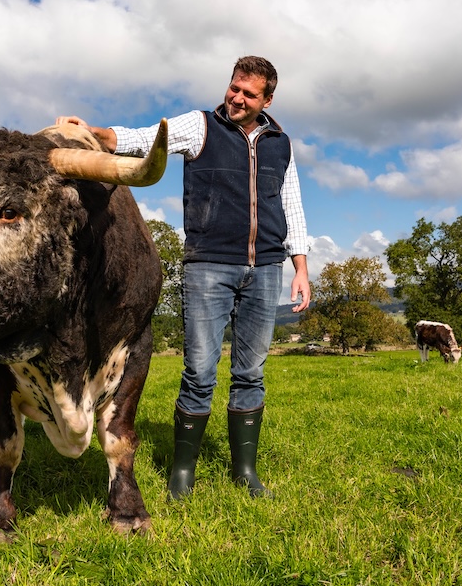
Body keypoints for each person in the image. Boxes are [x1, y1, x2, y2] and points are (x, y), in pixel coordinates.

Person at [57, 55, 310, 499]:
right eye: (234, 87)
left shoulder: (280, 143)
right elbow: (146, 138)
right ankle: (182, 473)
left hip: (266, 268)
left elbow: (291, 204)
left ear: (267, 99)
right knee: (199, 372)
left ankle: (245, 472)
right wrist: (97, 134)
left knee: (251, 372)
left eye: (249, 94)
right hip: (209, 265)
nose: (237, 97)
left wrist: (300, 268)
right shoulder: (201, 126)